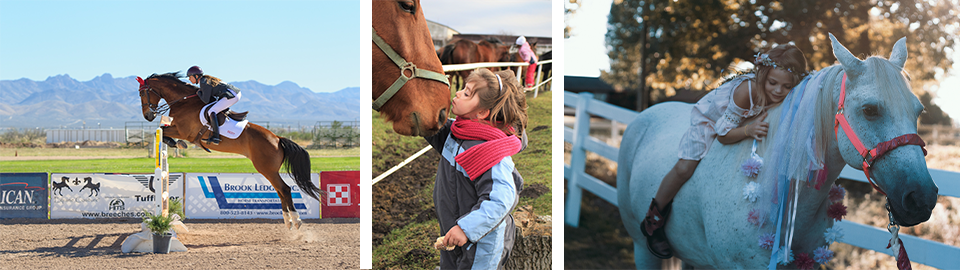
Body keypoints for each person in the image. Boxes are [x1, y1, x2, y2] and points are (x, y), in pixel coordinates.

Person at [641, 44, 808, 259]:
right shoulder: (748, 91)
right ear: (763, 75)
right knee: (685, 167)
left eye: (786, 86)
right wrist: (748, 129)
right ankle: (653, 220)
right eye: (772, 83)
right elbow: (722, 134)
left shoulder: (789, 95)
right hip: (712, 122)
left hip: (743, 122)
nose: (778, 91)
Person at [425, 68, 527, 269]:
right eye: (462, 89)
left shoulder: (490, 152)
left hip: (482, 245)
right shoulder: (456, 133)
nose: (458, 93)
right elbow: (429, 124)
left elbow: (500, 200)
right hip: (455, 233)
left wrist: (465, 229)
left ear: (481, 112)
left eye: (467, 93)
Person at [186, 65, 241, 145]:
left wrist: (199, 93)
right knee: (214, 108)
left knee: (211, 111)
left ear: (196, 76)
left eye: (190, 77)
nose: (189, 79)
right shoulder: (205, 80)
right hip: (233, 93)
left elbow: (206, 100)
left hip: (232, 95)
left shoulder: (203, 82)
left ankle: (216, 137)